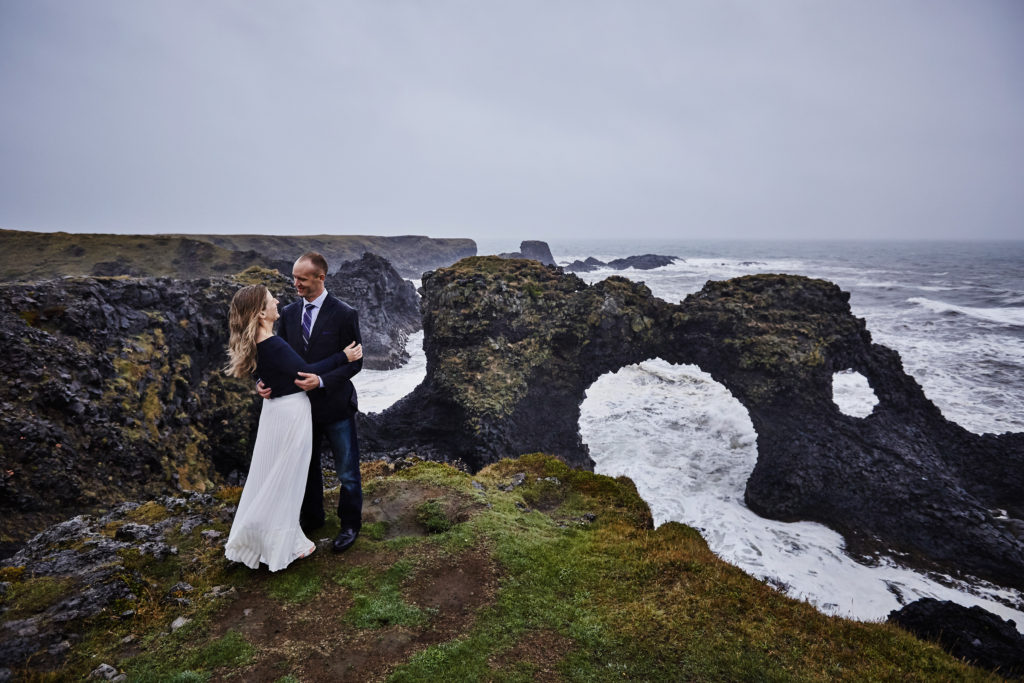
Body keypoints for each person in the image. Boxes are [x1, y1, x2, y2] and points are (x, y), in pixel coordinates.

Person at [222, 284, 361, 571]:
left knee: (275, 471)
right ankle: (285, 533)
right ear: (261, 313)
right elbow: (300, 370)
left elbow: (270, 367)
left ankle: (339, 525)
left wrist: (262, 380)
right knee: (287, 473)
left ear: (320, 277)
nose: (279, 301)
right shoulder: (275, 335)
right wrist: (342, 357)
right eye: (272, 299)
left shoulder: (261, 338)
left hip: (284, 411)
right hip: (289, 412)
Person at [258, 251, 364, 553]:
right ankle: (313, 518)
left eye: (301, 279)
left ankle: (350, 525)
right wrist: (261, 382)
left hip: (336, 406)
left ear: (321, 277)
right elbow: (278, 358)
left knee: (347, 471)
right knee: (306, 467)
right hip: (299, 409)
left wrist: (322, 380)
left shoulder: (345, 314)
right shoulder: (289, 313)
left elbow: (355, 363)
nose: (296, 284)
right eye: (294, 278)